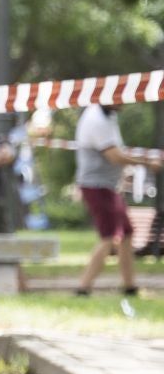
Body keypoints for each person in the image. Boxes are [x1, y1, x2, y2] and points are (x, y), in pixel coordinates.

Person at [73, 99, 142, 297]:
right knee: (109, 237)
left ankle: (129, 285)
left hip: (110, 187)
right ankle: (83, 287)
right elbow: (115, 156)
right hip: (96, 186)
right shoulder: (96, 119)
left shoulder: (108, 116)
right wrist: (145, 162)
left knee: (127, 233)